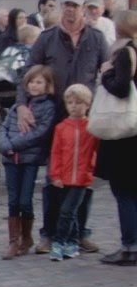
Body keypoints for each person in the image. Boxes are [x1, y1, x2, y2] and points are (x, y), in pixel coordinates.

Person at [23, 0, 109, 253]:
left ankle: (79, 233)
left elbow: (106, 73)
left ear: (85, 8)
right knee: (54, 176)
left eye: (76, 5)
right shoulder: (47, 38)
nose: (70, 10)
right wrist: (23, 105)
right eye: (67, 5)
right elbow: (26, 74)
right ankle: (48, 234)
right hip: (53, 115)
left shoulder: (96, 39)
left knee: (83, 177)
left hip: (86, 119)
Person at [0, 66, 57, 259]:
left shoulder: (48, 107)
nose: (34, 86)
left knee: (25, 201)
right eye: (31, 82)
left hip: (29, 158)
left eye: (39, 82)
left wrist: (14, 144)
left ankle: (27, 237)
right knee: (13, 201)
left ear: (47, 85)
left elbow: (40, 133)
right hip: (10, 159)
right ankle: (14, 241)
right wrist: (5, 145)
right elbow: (4, 127)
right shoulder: (17, 106)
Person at [95, 10, 137, 265]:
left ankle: (130, 245)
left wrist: (105, 75)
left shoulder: (124, 53)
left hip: (125, 132)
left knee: (123, 190)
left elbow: (120, 87)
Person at [46, 84, 100, 261]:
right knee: (71, 212)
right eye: (70, 102)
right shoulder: (61, 127)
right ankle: (72, 241)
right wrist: (55, 175)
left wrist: (91, 169)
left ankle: (59, 241)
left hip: (82, 178)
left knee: (67, 211)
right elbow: (56, 152)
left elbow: (95, 151)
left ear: (87, 105)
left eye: (78, 102)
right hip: (64, 177)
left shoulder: (91, 127)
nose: (74, 106)